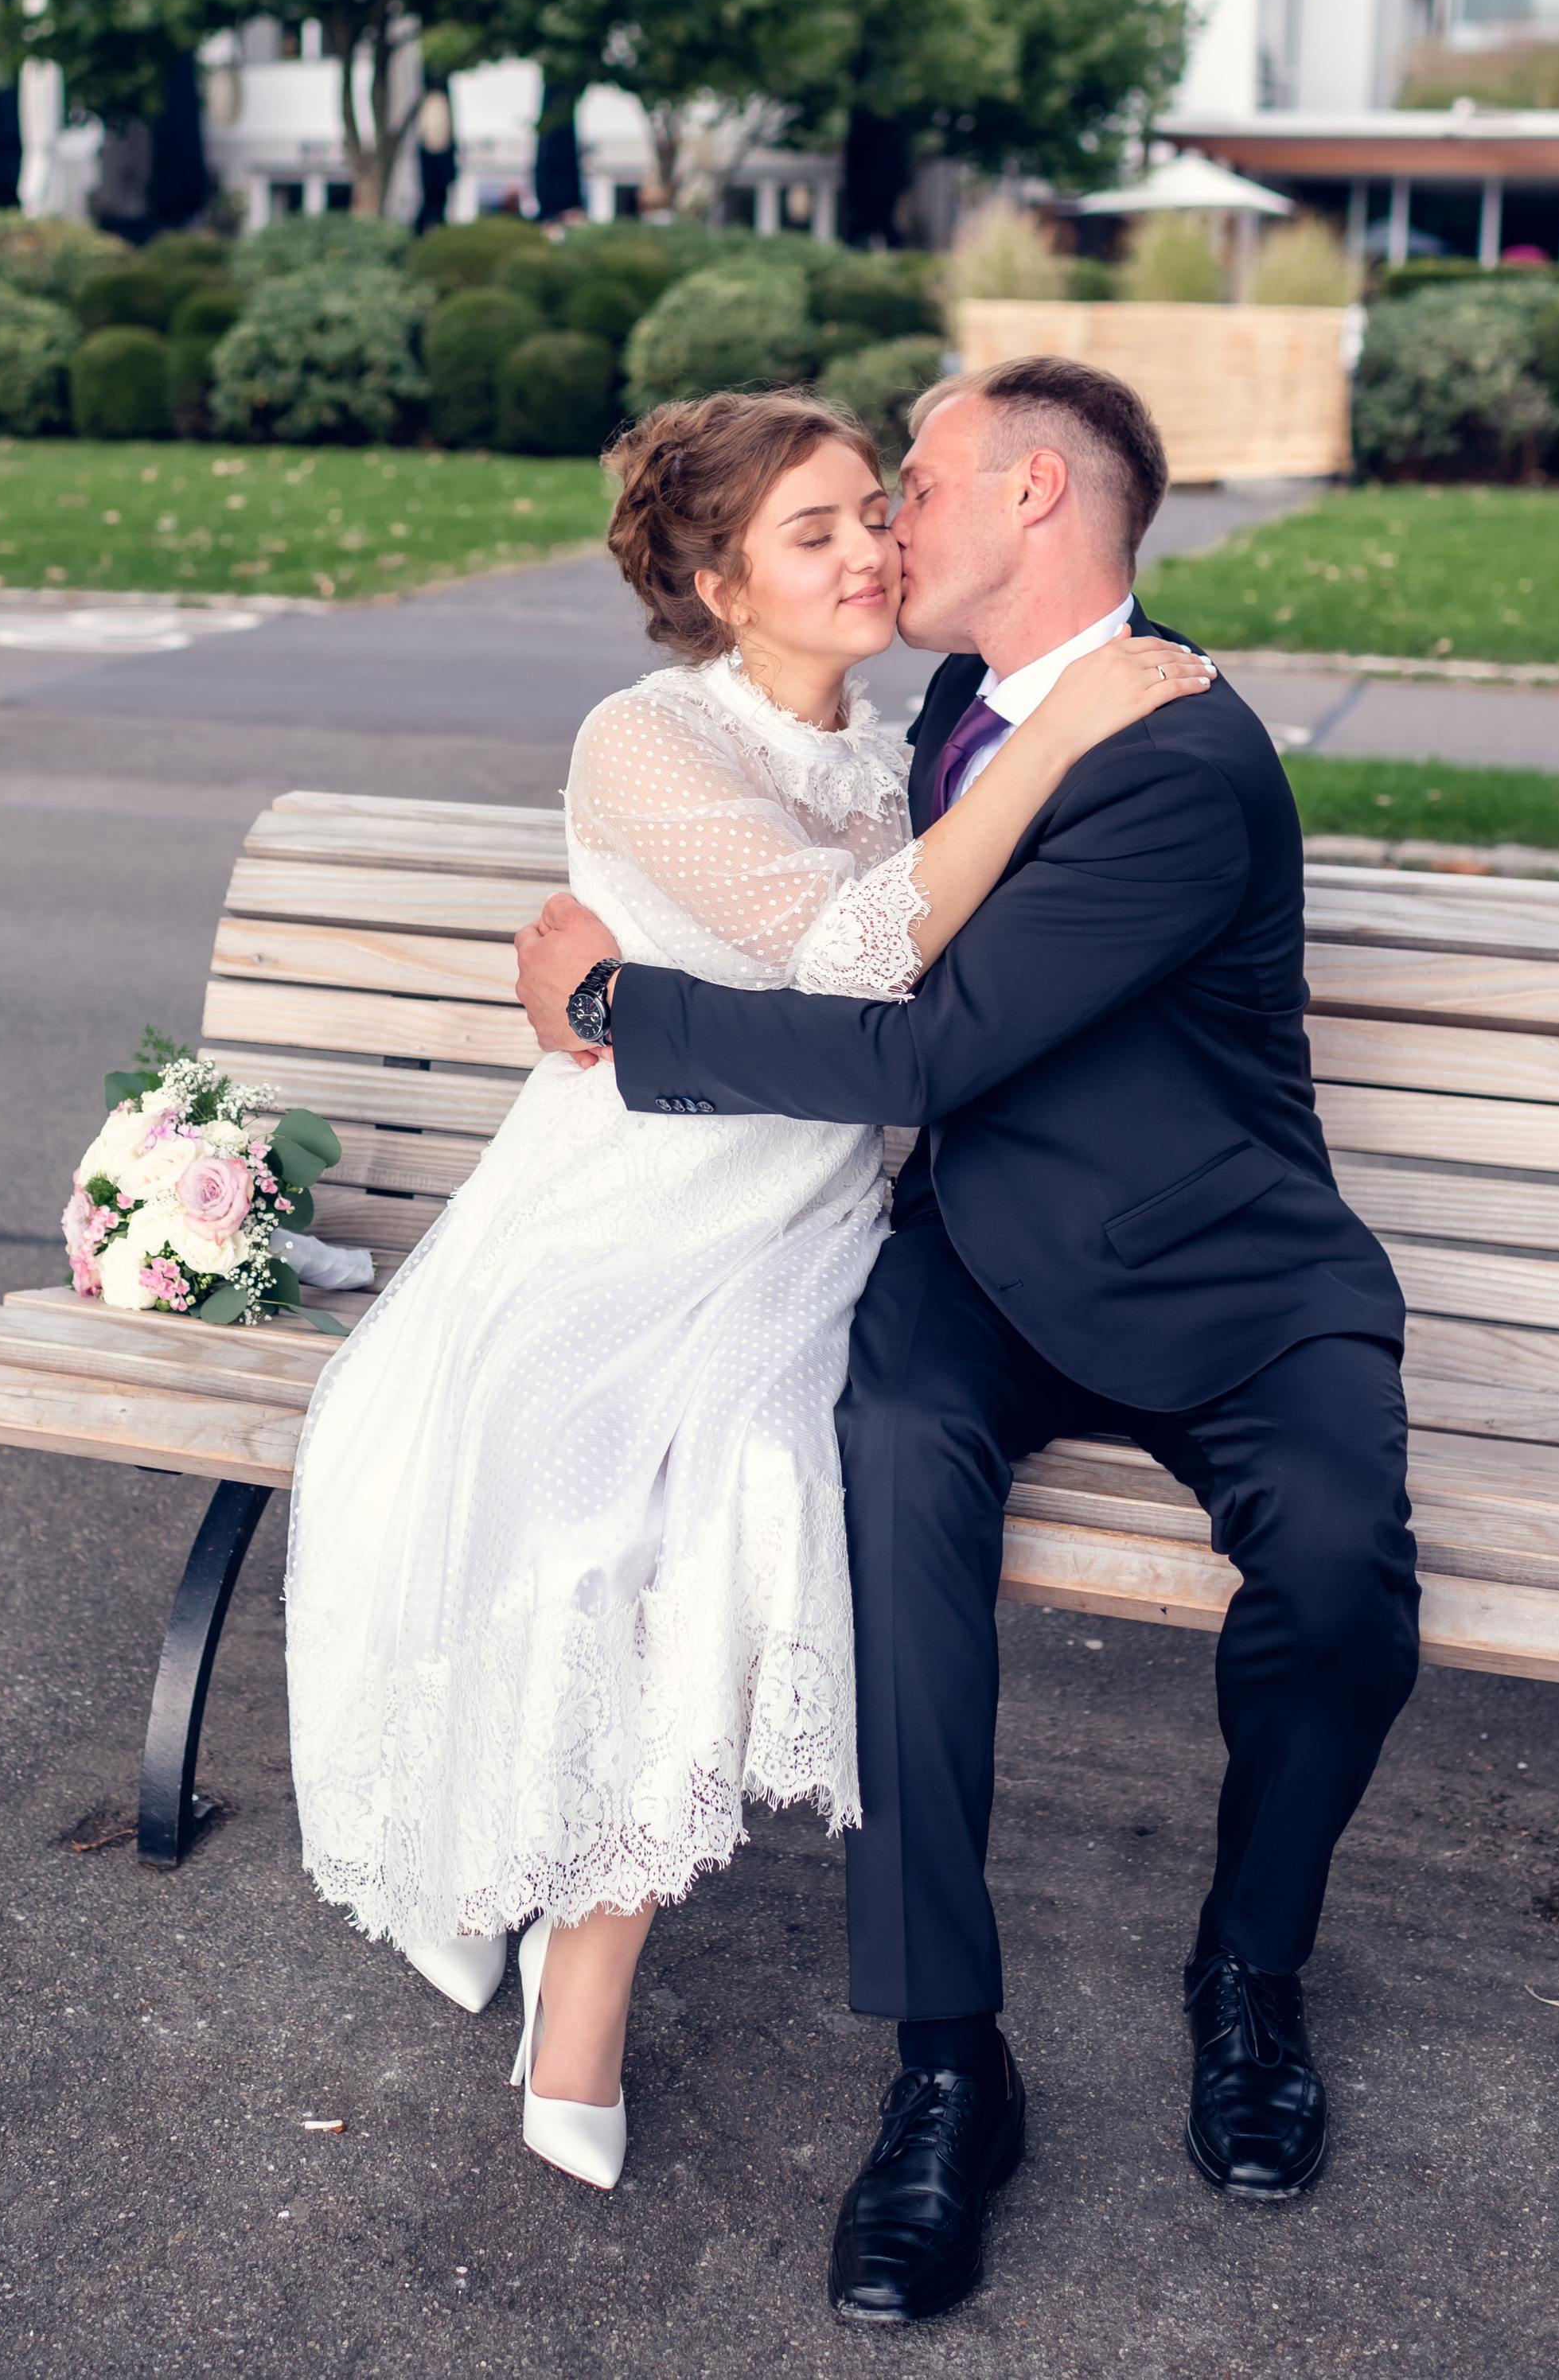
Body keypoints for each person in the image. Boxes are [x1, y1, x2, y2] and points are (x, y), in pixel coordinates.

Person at [516, 356, 1417, 2320]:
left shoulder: (1170, 752)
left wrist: (616, 1016)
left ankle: (1248, 1982)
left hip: (1226, 1276)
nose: (889, 524)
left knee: (1343, 1578)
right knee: (886, 1483)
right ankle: (945, 2064)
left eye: (910, 485)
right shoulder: (950, 711)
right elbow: (825, 901)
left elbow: (918, 1042)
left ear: (1028, 497)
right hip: (981, 1260)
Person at [283, 387, 1210, 2198]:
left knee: (752, 1502)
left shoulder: (906, 752)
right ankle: (553, 1913)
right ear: (715, 581)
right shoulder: (644, 745)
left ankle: (584, 1959)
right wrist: (1070, 725)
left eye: (874, 508)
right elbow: (857, 956)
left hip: (803, 1234)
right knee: (580, 1502)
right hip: (617, 1220)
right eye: (814, 531)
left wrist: (1053, 718)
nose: (869, 548)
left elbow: (943, 1005)